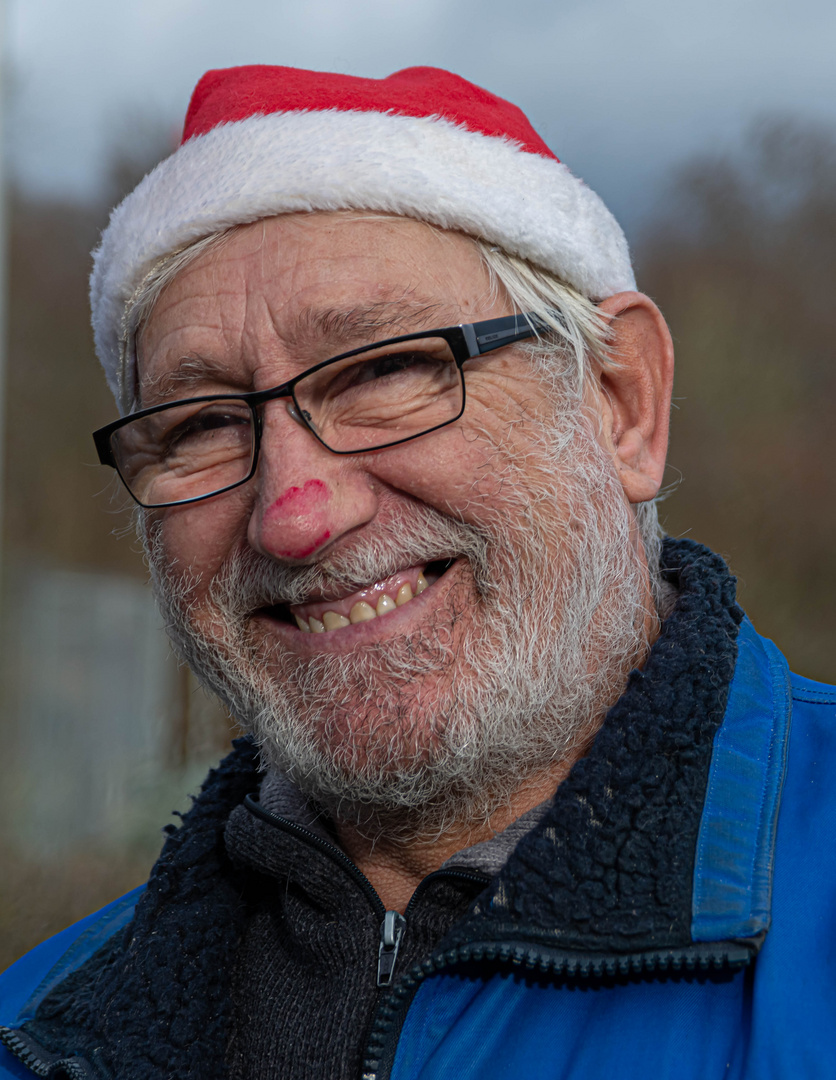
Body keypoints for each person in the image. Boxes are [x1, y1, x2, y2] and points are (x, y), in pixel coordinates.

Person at [1, 64, 835, 1080]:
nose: (294, 513)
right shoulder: (39, 1031)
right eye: (201, 426)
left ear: (622, 403)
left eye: (387, 370)